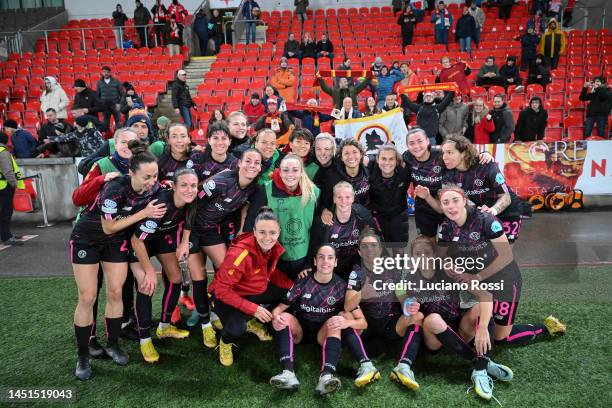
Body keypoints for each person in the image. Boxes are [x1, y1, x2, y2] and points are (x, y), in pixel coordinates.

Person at [436, 187, 566, 378]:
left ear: (464, 200)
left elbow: (506, 255)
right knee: (481, 316)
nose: (451, 206)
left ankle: (545, 328)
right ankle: (480, 353)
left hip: (505, 280)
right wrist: (448, 263)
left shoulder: (485, 220)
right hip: (477, 281)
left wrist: (477, 277)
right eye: (445, 202)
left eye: (455, 200)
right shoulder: (446, 226)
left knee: (501, 337)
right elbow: (442, 254)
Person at [70, 140, 164, 380]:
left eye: (154, 176)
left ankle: (112, 344)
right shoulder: (115, 188)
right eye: (146, 177)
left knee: (115, 292)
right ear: (131, 172)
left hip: (114, 243)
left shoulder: (154, 187)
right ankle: (83, 356)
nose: (151, 181)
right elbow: (109, 226)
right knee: (88, 296)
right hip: (87, 239)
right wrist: (143, 213)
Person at [186, 148, 263, 352]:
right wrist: (184, 237)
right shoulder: (221, 181)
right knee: (199, 277)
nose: (252, 166)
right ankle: (205, 324)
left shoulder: (253, 187)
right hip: (191, 229)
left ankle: (218, 312)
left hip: (210, 230)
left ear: (260, 168)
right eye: (248, 161)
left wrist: (240, 227)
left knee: (226, 271)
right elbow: (190, 203)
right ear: (239, 163)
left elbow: (245, 206)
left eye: (256, 163)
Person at [270, 244, 374, 394]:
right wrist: (276, 317)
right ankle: (288, 374)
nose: (325, 261)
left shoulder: (341, 286)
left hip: (323, 333)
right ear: (315, 261)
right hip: (301, 331)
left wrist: (347, 322)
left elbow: (362, 322)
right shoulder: (303, 281)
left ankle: (326, 376)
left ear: (336, 262)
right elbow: (278, 309)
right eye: (321, 257)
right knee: (284, 317)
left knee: (340, 318)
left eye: (330, 257)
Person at [207, 207, 292, 366]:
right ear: (254, 231)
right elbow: (222, 290)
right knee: (236, 329)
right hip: (224, 297)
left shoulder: (272, 247)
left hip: (250, 293)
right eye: (262, 232)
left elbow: (270, 273)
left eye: (272, 233)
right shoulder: (240, 254)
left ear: (279, 232)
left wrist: (294, 287)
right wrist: (254, 309)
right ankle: (225, 342)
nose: (267, 238)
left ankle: (248, 319)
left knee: (288, 292)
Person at [130, 168, 198, 362]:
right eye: (183, 185)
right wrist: (150, 270)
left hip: (159, 238)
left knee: (176, 278)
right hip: (138, 241)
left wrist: (184, 242)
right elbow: (137, 241)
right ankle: (145, 340)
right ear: (173, 186)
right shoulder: (161, 206)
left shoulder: (190, 201)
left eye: (193, 185)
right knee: (146, 284)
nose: (189, 190)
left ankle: (164, 326)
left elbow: (189, 218)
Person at [344, 231, 424, 390]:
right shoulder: (356, 273)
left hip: (390, 323)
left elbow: (402, 296)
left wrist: (408, 305)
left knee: (418, 316)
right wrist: (362, 294)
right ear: (359, 251)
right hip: (366, 324)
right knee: (344, 316)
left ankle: (404, 367)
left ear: (380, 249)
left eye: (373, 246)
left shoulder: (393, 269)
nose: (369, 250)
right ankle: (366, 366)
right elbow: (347, 306)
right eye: (365, 247)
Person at [245, 154, 319, 279]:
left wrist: (309, 262)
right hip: (275, 258)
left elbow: (317, 230)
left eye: (295, 170)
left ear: (301, 171)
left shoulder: (314, 192)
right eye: (285, 170)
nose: (290, 174)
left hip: (303, 258)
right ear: (279, 171)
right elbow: (251, 222)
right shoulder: (267, 190)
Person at [309, 182, 379, 280]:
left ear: (353, 198)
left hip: (355, 263)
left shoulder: (363, 215)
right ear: (334, 199)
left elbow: (376, 238)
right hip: (331, 267)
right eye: (339, 197)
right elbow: (313, 249)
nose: (343, 201)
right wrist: (308, 267)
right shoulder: (322, 222)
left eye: (347, 197)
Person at [367, 144, 412, 244]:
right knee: (380, 250)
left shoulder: (404, 170)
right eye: (383, 158)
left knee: (399, 250)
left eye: (391, 159)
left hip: (399, 213)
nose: (387, 163)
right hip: (377, 215)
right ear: (377, 159)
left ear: (396, 161)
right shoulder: (370, 169)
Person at [0, 131, 25, 247]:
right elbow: (8, 171)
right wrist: (14, 183)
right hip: (4, 187)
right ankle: (6, 237)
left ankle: (5, 235)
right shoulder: (3, 152)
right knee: (6, 212)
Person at [97, 66, 123, 131]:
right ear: (102, 73)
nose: (106, 73)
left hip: (115, 105)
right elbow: (97, 95)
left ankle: (120, 136)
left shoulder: (116, 81)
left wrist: (119, 103)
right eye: (104, 72)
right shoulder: (99, 83)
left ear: (110, 73)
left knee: (119, 123)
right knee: (105, 124)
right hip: (105, 107)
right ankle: (107, 138)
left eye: (108, 72)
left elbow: (122, 94)